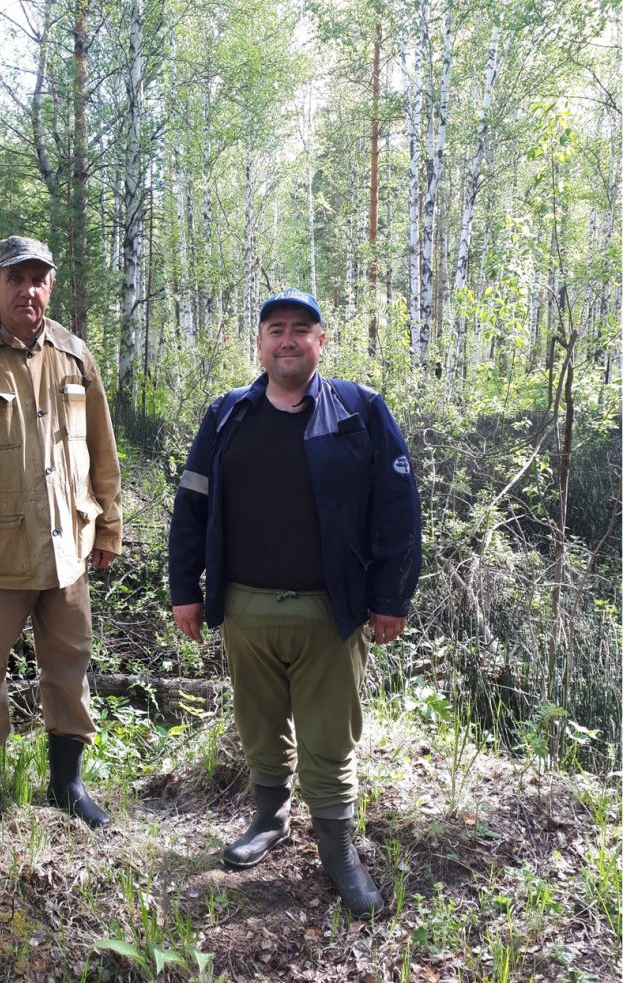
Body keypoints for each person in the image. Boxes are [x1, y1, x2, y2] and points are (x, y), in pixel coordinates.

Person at [168, 288, 421, 917]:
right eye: (275, 328)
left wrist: (391, 596)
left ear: (320, 342)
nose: (287, 340)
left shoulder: (360, 412)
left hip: (330, 612)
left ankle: (337, 848)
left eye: (301, 329)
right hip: (245, 608)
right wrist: (184, 590)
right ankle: (269, 818)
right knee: (258, 723)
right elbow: (191, 505)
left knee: (330, 734)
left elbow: (398, 511)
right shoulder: (228, 415)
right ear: (259, 343)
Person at [0, 235, 122, 828]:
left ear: (50, 286)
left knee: (69, 664)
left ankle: (67, 784)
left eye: (38, 279)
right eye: (15, 278)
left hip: (68, 548)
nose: (27, 291)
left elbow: (101, 450)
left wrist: (108, 526)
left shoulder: (75, 357)